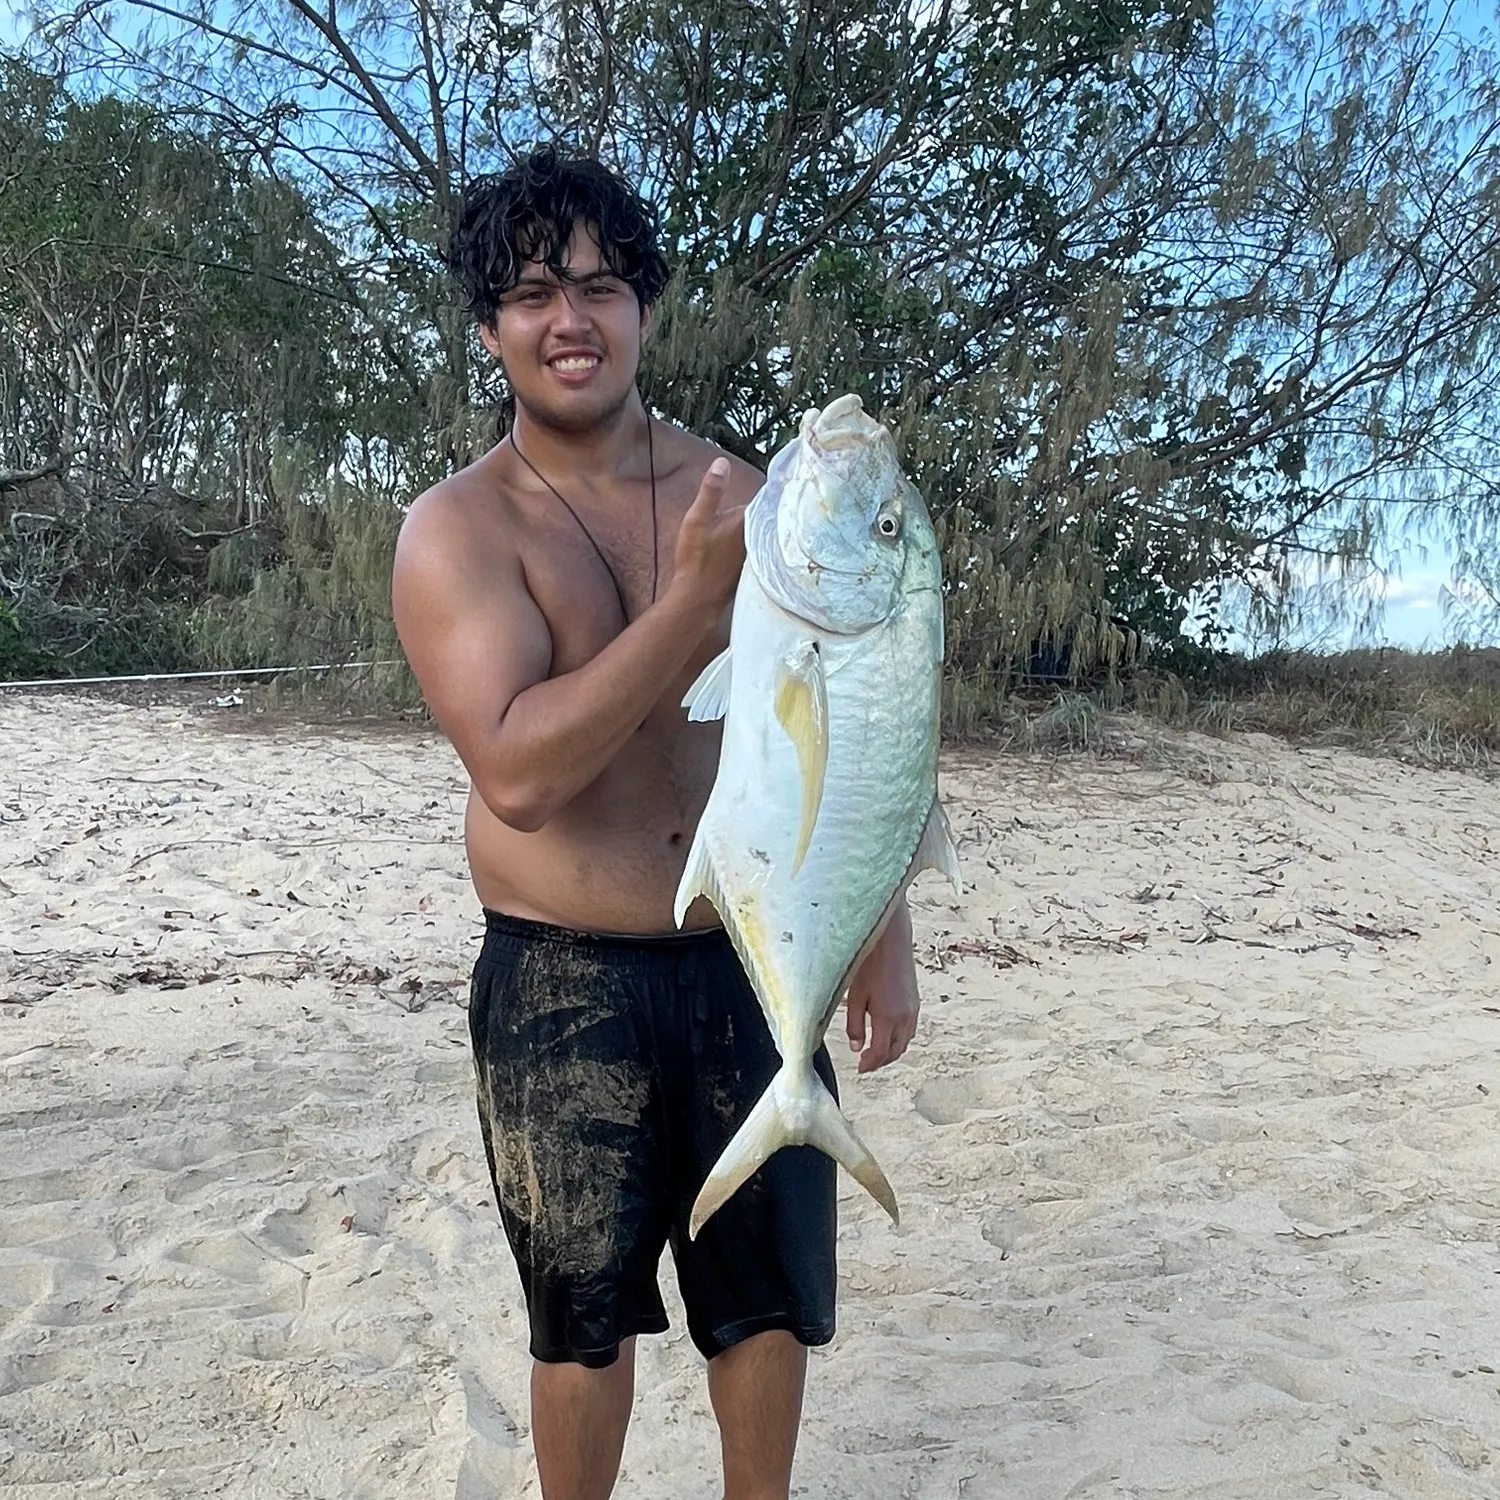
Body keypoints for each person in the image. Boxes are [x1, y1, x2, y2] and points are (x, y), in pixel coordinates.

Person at [391, 147, 922, 1500]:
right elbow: (517, 772)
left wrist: (883, 930)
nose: (569, 318)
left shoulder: (750, 497)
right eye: (528, 294)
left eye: (599, 285)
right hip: (561, 967)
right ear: (488, 325)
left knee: (769, 1299)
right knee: (582, 1318)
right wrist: (690, 606)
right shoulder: (457, 531)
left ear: (642, 307)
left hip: (756, 952)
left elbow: (841, 728)